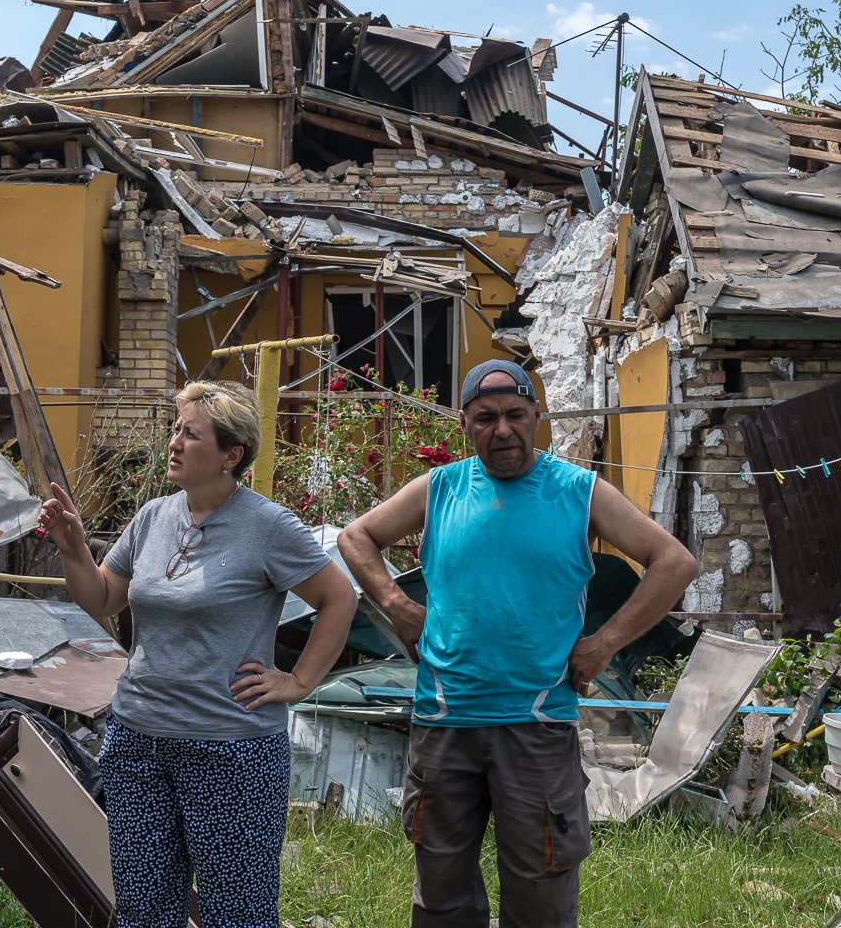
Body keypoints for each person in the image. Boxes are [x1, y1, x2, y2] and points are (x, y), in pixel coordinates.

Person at [338, 359, 699, 928]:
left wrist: (605, 643)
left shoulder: (578, 493)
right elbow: (355, 536)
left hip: (536, 726)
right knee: (440, 896)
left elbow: (675, 562)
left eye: (513, 414)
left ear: (538, 414)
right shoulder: (441, 488)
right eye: (485, 418)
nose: (501, 429)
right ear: (465, 424)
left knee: (540, 898)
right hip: (443, 721)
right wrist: (398, 606)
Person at [40, 379, 357, 928]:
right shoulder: (153, 517)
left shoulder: (268, 526)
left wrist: (298, 681)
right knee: (143, 910)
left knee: (235, 913)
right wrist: (72, 550)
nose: (174, 442)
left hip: (229, 749)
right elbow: (103, 597)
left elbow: (339, 597)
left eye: (191, 433)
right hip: (138, 739)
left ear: (231, 455)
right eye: (175, 430)